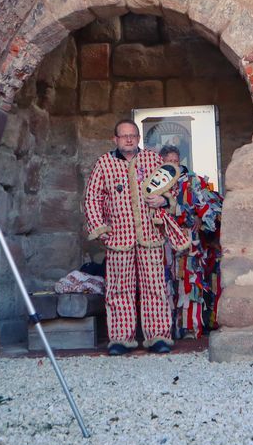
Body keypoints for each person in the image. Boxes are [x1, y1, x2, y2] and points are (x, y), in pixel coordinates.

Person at [83, 120, 175, 355]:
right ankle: (121, 340)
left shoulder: (153, 161)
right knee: (118, 289)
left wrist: (163, 201)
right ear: (115, 139)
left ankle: (158, 337)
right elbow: (91, 198)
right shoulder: (104, 163)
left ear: (138, 138)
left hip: (150, 235)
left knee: (155, 287)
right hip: (118, 237)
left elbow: (170, 190)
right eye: (124, 136)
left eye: (133, 135)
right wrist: (101, 230)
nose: (129, 139)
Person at [159, 145, 223, 339]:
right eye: (168, 161)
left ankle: (189, 328)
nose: (172, 165)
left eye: (176, 161)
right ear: (161, 162)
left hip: (189, 242)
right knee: (165, 283)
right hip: (163, 242)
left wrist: (198, 217)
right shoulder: (154, 184)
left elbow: (212, 205)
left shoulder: (193, 182)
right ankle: (166, 329)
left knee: (190, 281)